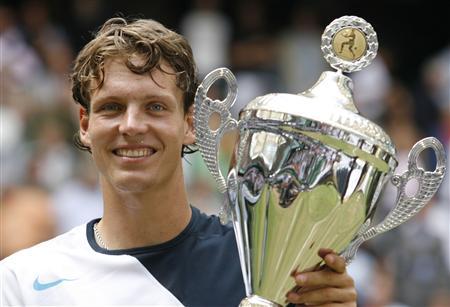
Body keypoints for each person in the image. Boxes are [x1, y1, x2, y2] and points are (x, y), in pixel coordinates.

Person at [0, 17, 357, 306]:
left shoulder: (267, 271)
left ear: (189, 124)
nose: (132, 125)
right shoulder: (22, 283)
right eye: (112, 107)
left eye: (155, 107)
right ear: (85, 125)